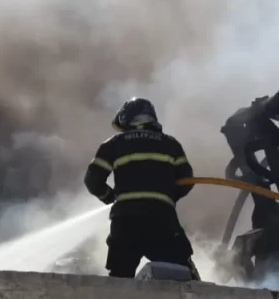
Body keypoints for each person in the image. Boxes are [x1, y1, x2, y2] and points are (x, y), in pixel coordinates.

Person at [84, 97, 200, 280]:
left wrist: (109, 197)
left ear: (126, 118)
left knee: (120, 280)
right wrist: (167, 198)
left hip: (125, 222)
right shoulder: (171, 144)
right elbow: (187, 180)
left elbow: (92, 180)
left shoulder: (113, 144)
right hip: (162, 219)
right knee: (182, 275)